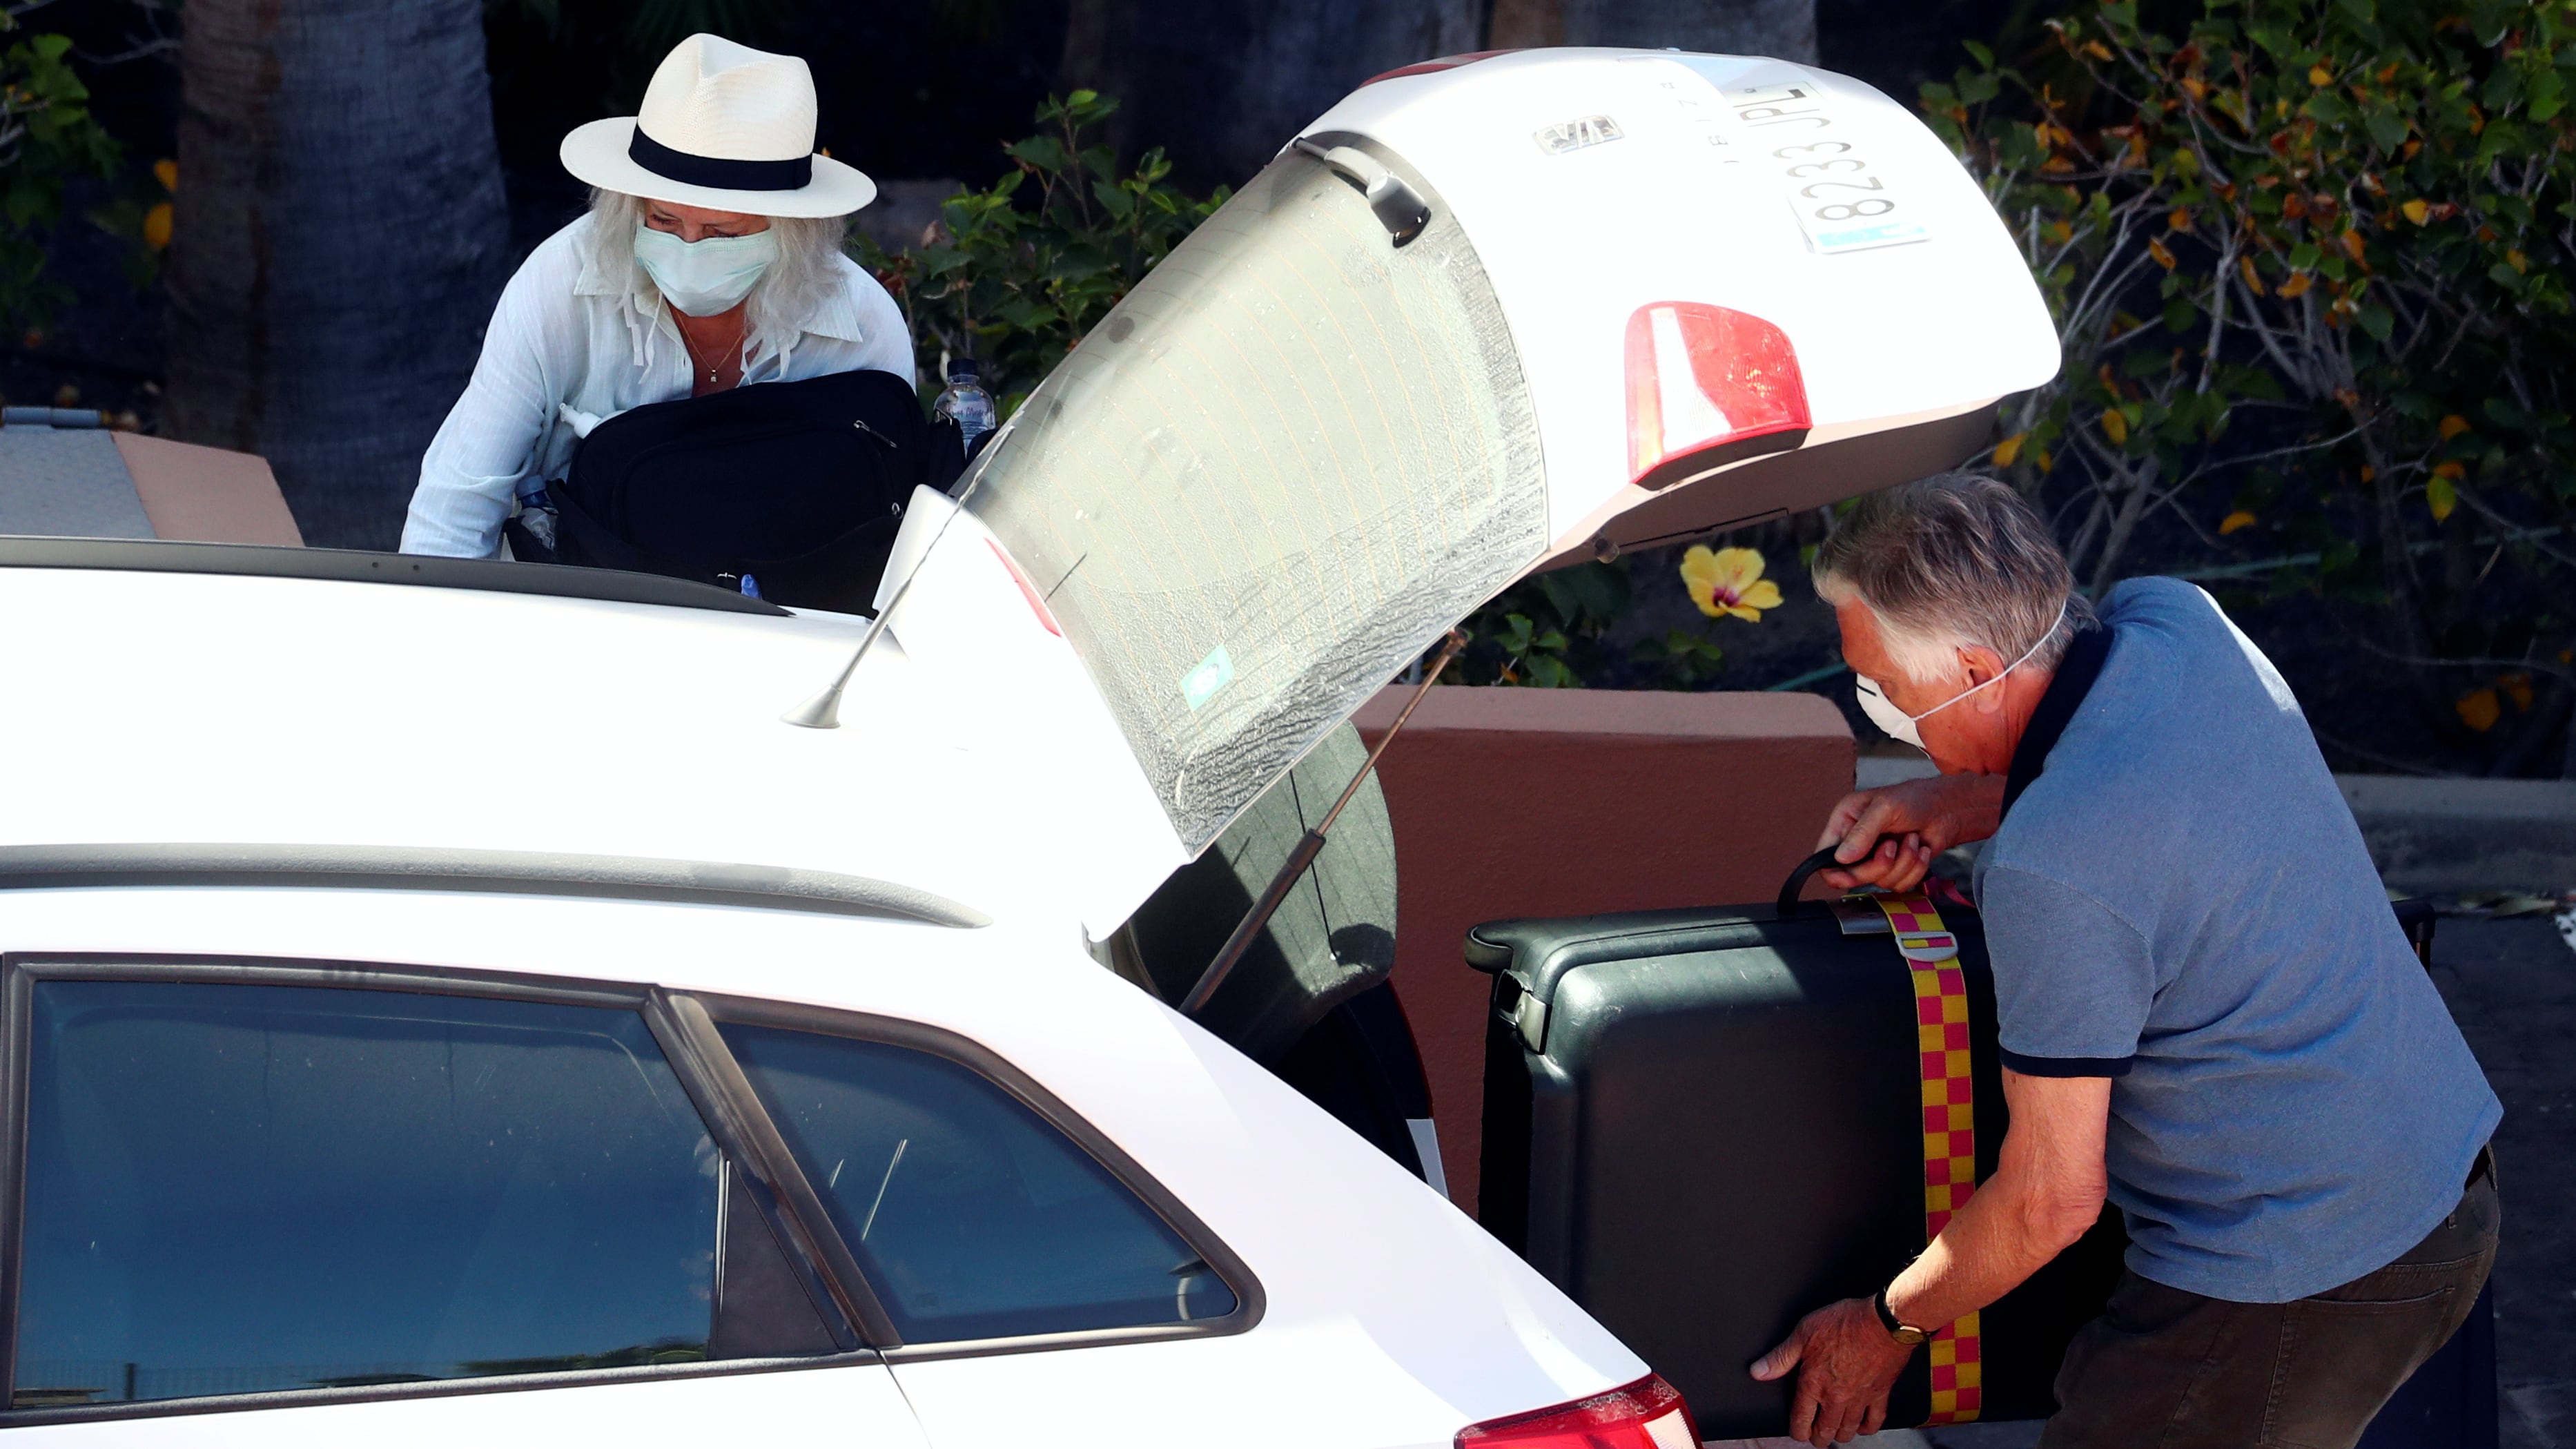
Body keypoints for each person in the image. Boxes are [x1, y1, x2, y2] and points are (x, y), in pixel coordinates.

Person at [1748, 474, 2499, 1449]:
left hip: (2301, 1269)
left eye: (1884, 692)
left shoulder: (2051, 871)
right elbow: (2161, 783)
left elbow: (2051, 1197)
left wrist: (1885, 1324)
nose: (1878, 715)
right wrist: (1960, 800)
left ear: (1973, 664)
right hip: (2444, 1170)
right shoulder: (2177, 620)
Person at [401, 33, 912, 558]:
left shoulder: (862, 330)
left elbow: (898, 535)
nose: (688, 247)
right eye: (663, 220)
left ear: (792, 232)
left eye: (723, 233)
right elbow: (454, 512)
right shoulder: (559, 287)